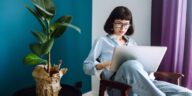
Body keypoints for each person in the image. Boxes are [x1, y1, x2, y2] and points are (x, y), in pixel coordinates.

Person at [83, 6, 192, 96]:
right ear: (112, 23)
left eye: (126, 24)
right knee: (130, 64)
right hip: (118, 84)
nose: (122, 27)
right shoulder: (102, 41)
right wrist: (102, 65)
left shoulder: (132, 43)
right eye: (118, 23)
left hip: (142, 81)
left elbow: (139, 68)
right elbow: (86, 67)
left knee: (186, 93)